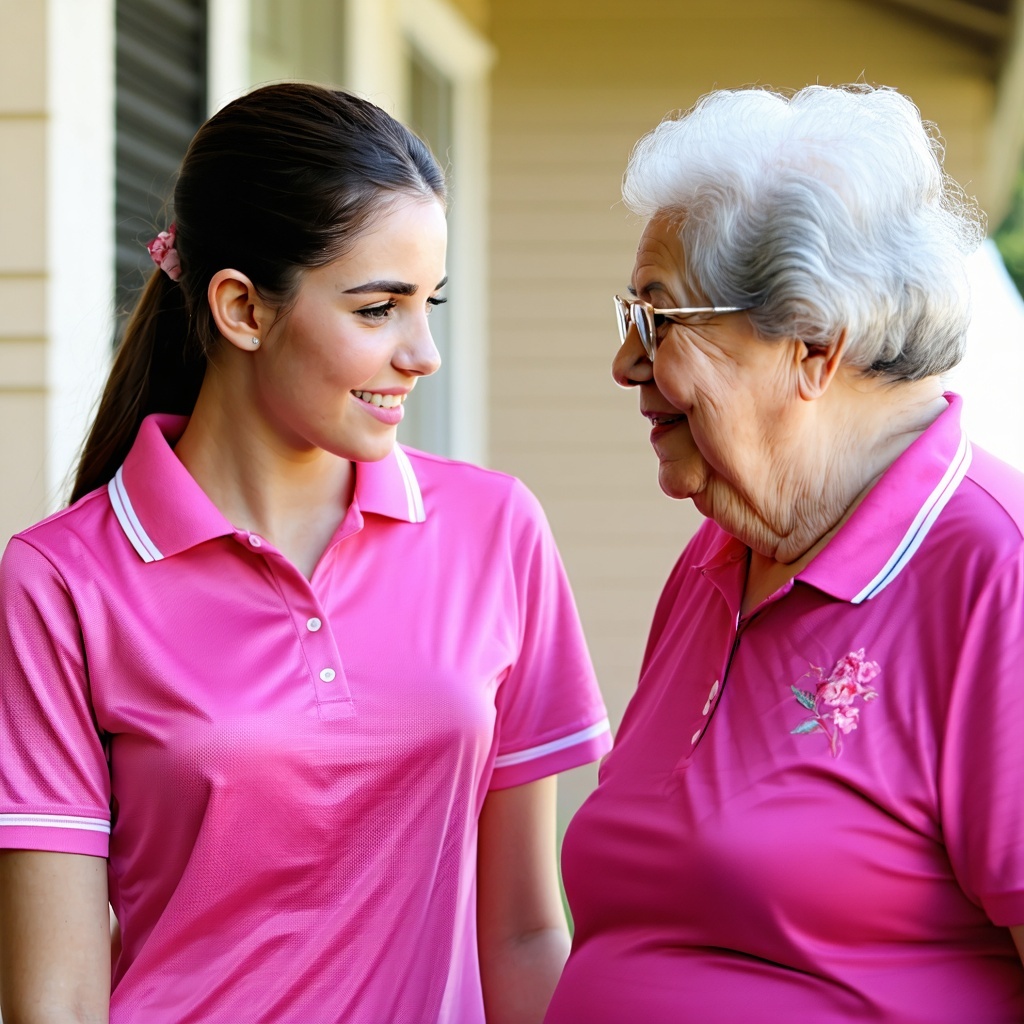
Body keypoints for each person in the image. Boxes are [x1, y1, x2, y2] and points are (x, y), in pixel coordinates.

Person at [0, 82, 610, 1024]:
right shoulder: (60, 583)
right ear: (243, 309)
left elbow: (524, 935)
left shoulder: (496, 532)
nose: (423, 351)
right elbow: (60, 996)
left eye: (429, 303)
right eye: (379, 309)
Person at [544, 84, 1024, 1023]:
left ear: (811, 345)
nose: (625, 366)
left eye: (659, 321)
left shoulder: (992, 574)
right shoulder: (720, 557)